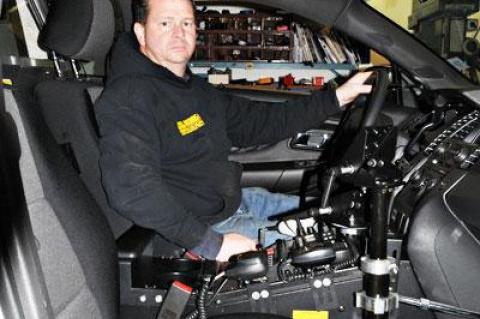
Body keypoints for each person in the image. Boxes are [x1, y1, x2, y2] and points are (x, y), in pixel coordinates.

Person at [95, 0, 372, 262]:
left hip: (239, 203)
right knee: (334, 249)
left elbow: (259, 122)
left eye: (187, 23)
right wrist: (212, 244)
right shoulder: (129, 97)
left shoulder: (194, 88)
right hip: (203, 228)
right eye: (165, 23)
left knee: (339, 217)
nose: (179, 33)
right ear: (141, 32)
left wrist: (337, 97)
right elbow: (131, 188)